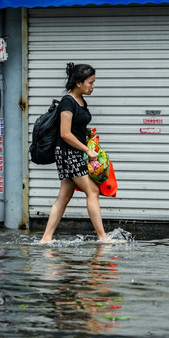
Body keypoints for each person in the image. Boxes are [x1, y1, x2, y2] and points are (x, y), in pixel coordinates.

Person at [40, 63, 115, 243]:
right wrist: (87, 150)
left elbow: (75, 127)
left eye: (94, 82)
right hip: (68, 153)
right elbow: (65, 133)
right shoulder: (68, 101)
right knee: (93, 191)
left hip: (72, 152)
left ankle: (46, 238)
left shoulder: (80, 100)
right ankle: (102, 237)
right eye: (90, 82)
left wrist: (87, 135)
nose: (93, 86)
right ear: (79, 83)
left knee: (64, 196)